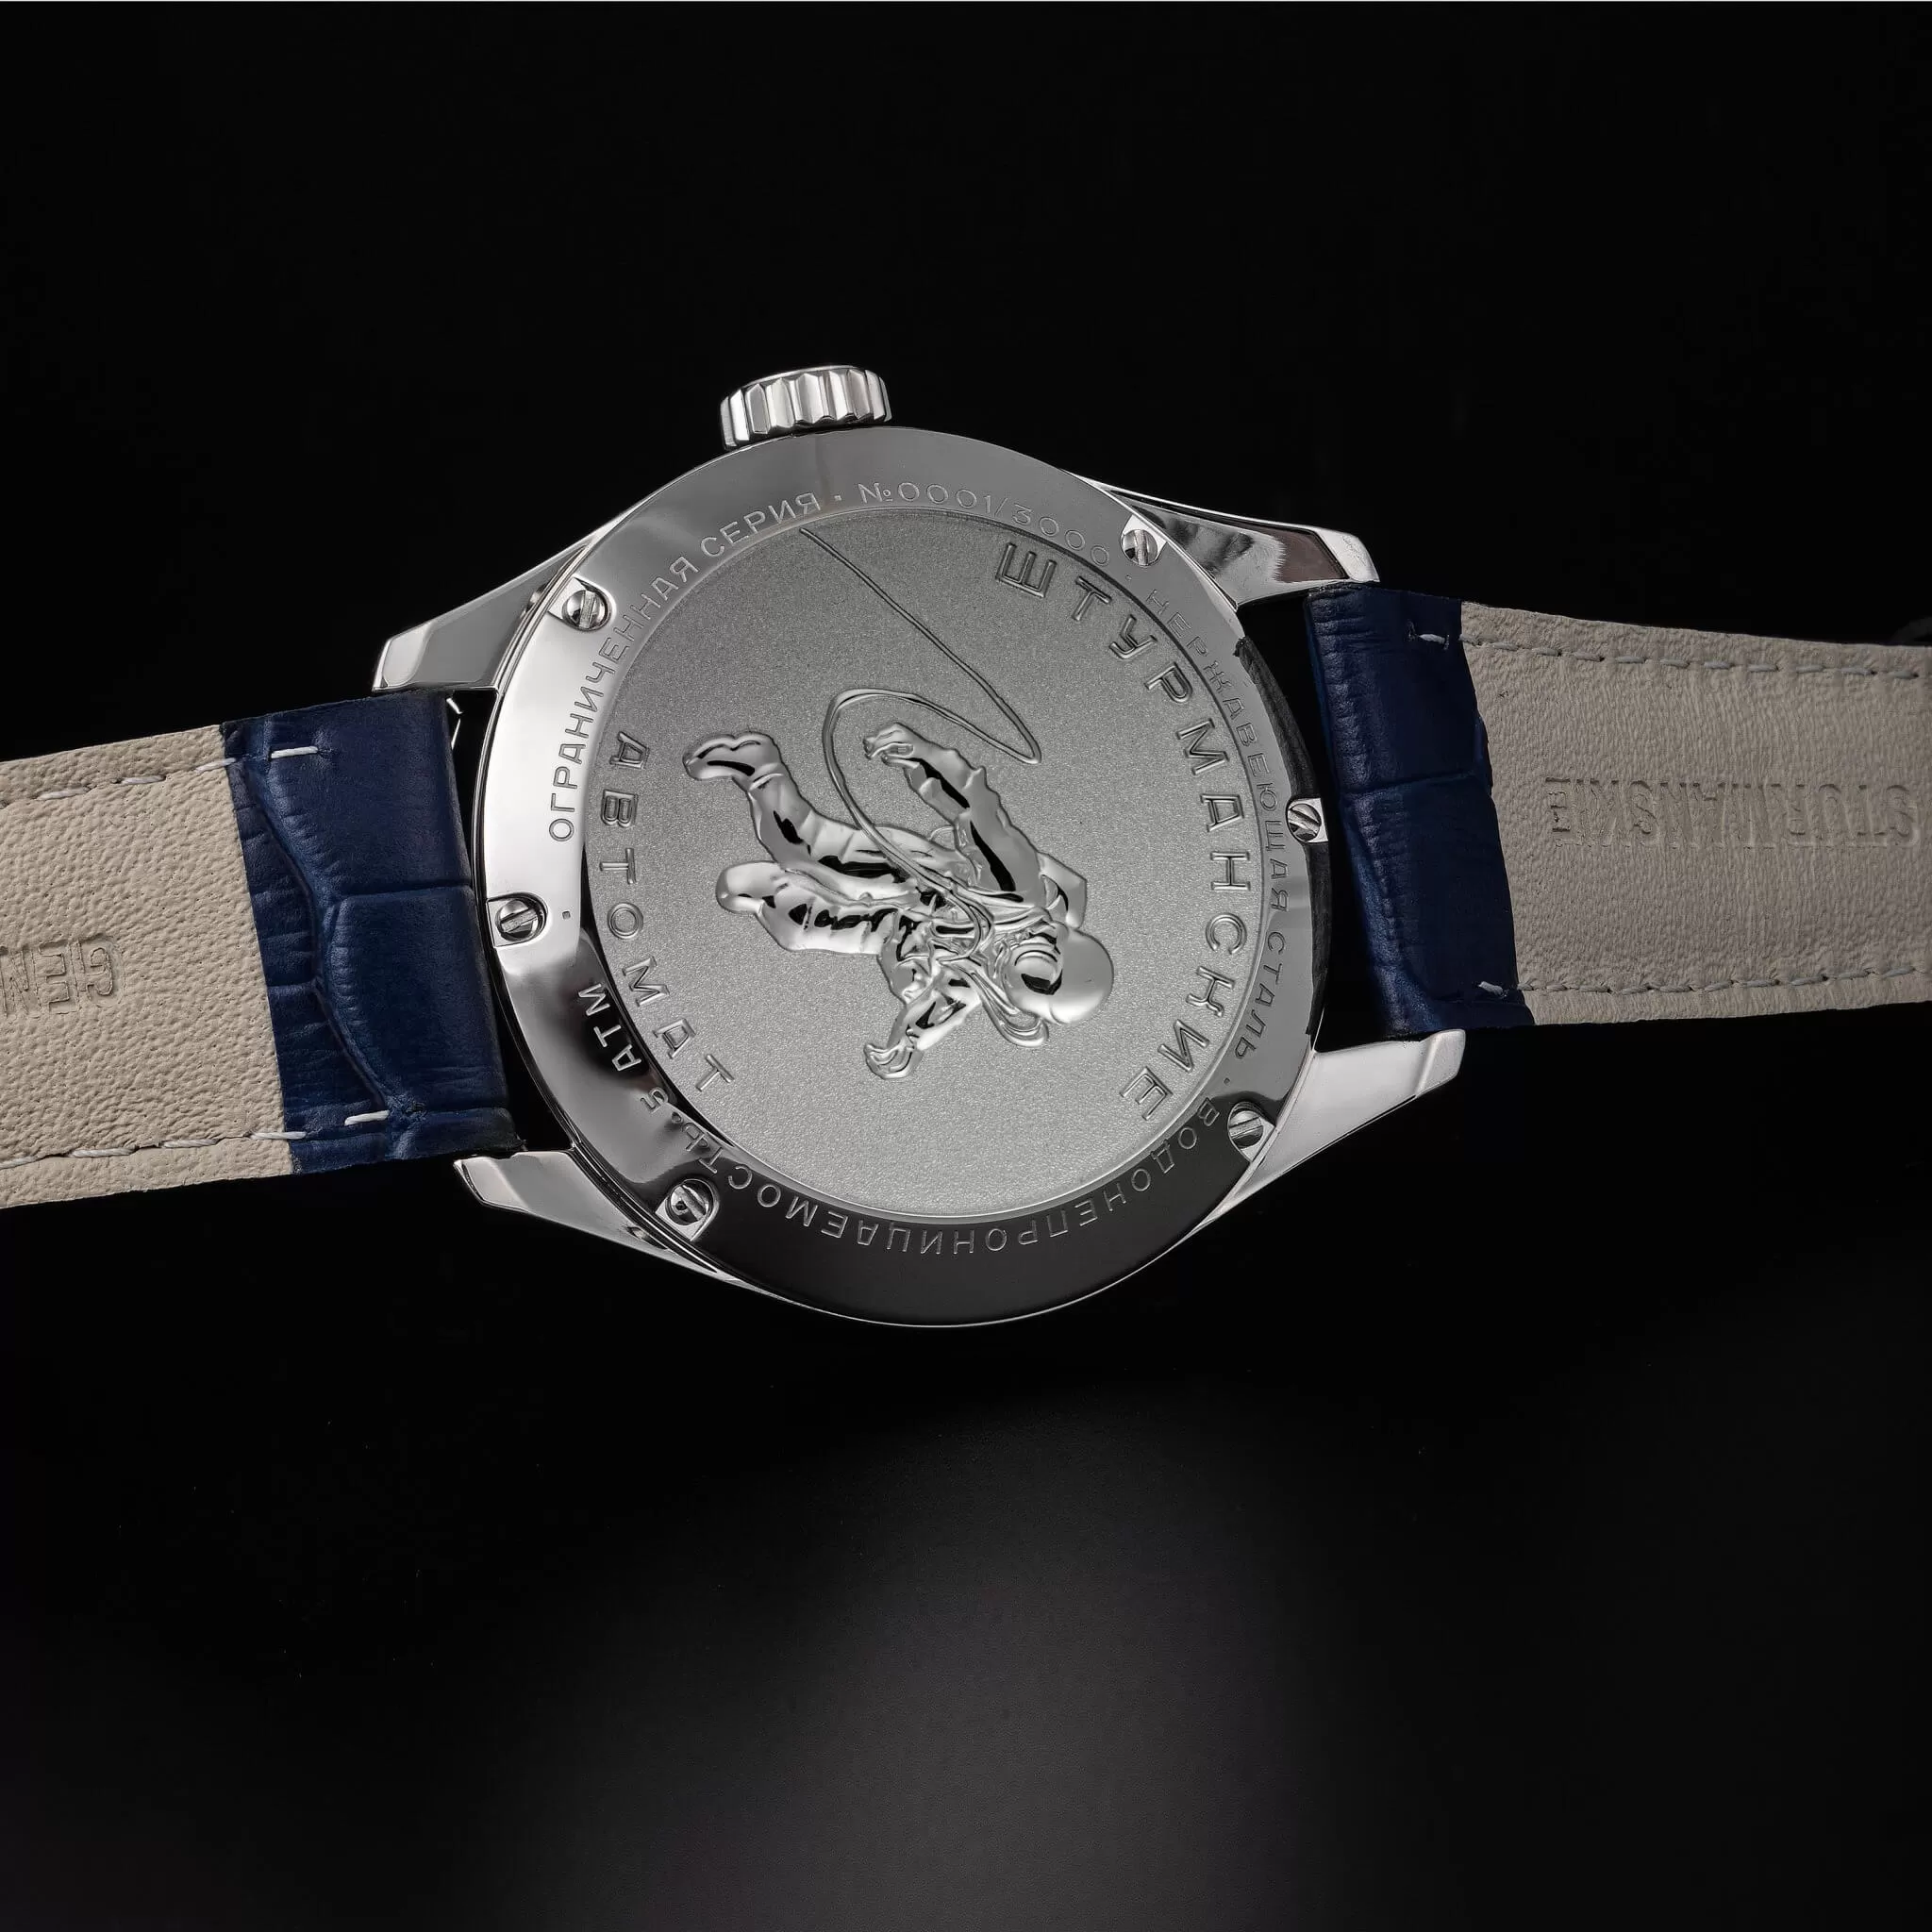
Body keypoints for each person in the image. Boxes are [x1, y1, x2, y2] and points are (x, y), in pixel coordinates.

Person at [685, 724, 1114, 1078]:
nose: (998, 955)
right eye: (1027, 954)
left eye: (1009, 976)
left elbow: (942, 1008)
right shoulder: (1016, 882)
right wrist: (923, 757)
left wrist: (908, 1044)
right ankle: (758, 765)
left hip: (907, 930)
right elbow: (977, 811)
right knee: (805, 846)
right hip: (923, 877)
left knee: (804, 930)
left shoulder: (983, 977)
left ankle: (769, 891)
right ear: (1052, 935)